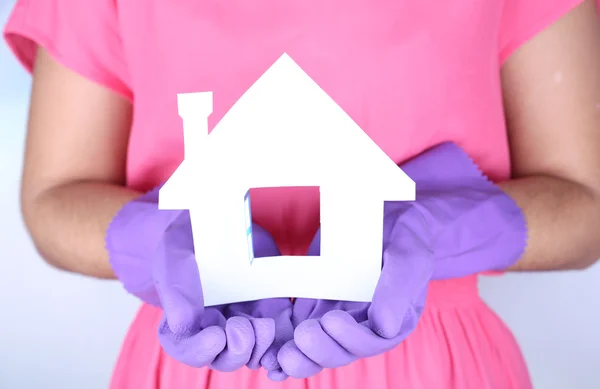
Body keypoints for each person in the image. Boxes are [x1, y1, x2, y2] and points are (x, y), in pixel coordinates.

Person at [4, 0, 600, 387]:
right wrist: (168, 244)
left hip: (438, 365)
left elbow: (584, 205)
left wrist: (433, 231)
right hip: (200, 358)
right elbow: (55, 194)